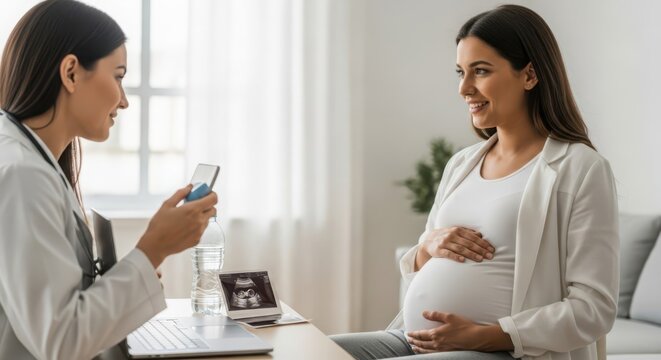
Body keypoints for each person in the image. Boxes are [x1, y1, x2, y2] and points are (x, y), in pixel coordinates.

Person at [331, 4, 618, 360]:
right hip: (415, 339)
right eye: (460, 73)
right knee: (304, 351)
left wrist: (487, 336)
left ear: (529, 75)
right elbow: (420, 265)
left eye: (480, 71)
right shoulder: (462, 164)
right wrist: (426, 249)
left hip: (507, 352)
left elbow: (595, 308)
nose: (464, 88)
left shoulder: (580, 168)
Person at [0, 1, 218, 358]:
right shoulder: (23, 177)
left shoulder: (32, 161)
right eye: (118, 76)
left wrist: (132, 271)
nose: (125, 101)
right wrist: (153, 250)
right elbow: (62, 341)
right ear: (71, 73)